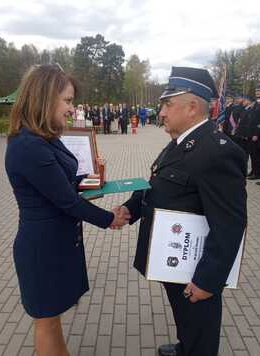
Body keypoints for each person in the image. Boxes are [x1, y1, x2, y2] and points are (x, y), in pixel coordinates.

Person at [115, 67, 247, 356]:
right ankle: (186, 345)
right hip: (174, 260)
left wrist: (207, 280)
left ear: (192, 107)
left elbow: (230, 224)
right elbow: (157, 183)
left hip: (195, 266)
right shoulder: (180, 142)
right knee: (185, 316)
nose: (160, 112)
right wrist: (129, 209)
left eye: (167, 104)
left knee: (200, 322)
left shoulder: (218, 151)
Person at [5, 64, 129, 356]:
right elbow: (67, 201)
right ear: (45, 98)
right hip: (42, 249)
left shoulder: (45, 138)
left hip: (57, 243)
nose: (72, 108)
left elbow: (66, 182)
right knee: (46, 322)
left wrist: (97, 179)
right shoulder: (28, 145)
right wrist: (111, 218)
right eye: (68, 100)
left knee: (53, 317)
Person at [249, 84, 260, 182]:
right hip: (252, 132)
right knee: (253, 153)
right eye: (256, 91)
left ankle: (257, 173)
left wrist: (256, 133)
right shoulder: (256, 103)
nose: (257, 92)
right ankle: (254, 171)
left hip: (257, 134)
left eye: (259, 91)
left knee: (257, 154)